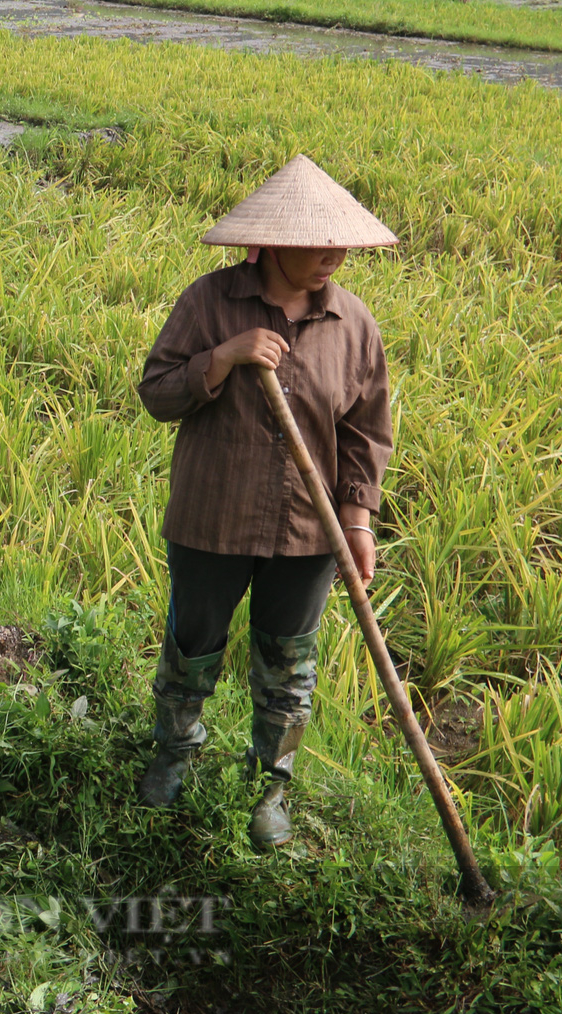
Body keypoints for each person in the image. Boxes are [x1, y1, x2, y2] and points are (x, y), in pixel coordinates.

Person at [134, 154, 396, 851]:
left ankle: (270, 785)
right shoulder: (210, 303)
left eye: (341, 244)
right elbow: (156, 391)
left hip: (308, 532)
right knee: (193, 647)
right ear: (274, 241)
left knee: (289, 662)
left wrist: (359, 521)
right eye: (319, 244)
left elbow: (367, 428)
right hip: (211, 517)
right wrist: (220, 358)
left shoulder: (352, 322)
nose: (333, 256)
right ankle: (174, 755)